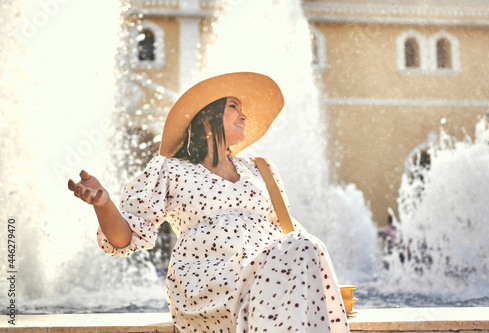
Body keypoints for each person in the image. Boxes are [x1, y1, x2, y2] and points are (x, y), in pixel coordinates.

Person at [68, 72, 350, 333]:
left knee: (308, 244)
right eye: (233, 107)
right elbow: (124, 239)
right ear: (206, 118)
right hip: (208, 275)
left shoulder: (260, 169)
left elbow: (287, 231)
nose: (244, 114)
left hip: (267, 268)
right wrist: (103, 204)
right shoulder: (169, 169)